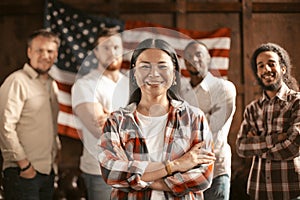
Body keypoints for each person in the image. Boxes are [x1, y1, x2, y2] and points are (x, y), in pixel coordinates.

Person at [98, 38, 216, 200]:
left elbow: (203, 176)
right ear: (134, 74)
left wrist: (139, 179)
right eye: (145, 66)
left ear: (174, 74)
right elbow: (111, 172)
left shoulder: (194, 118)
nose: (154, 74)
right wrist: (175, 166)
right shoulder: (116, 121)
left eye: (162, 66)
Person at [0, 29, 61, 200]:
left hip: (47, 172)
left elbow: (52, 126)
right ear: (29, 52)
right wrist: (24, 166)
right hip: (23, 174)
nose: (45, 55)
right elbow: (5, 127)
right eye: (39, 50)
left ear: (55, 55)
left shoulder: (51, 85)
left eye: (49, 51)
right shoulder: (17, 81)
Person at [236, 42, 300, 200]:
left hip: (291, 190)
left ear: (283, 68)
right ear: (257, 73)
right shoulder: (252, 109)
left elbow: (293, 146)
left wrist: (257, 144)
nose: (266, 70)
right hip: (259, 189)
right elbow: (242, 147)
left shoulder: (297, 103)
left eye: (271, 64)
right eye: (261, 66)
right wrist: (276, 138)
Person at [71, 26, 129, 200]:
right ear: (95, 52)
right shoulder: (85, 85)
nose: (112, 52)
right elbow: (101, 129)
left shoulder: (131, 84)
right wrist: (132, 120)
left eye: (116, 47)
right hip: (101, 172)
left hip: (134, 170)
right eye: (105, 47)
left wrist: (111, 116)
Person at [180, 41, 236, 200]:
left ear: (209, 58)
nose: (193, 59)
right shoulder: (182, 93)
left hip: (215, 168)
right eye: (189, 56)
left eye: (199, 54)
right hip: (186, 172)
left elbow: (210, 131)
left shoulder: (224, 88)